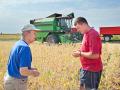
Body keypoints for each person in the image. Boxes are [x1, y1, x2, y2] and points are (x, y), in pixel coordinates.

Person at [4, 24, 40, 90]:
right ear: (27, 33)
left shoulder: (18, 44)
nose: (35, 36)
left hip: (10, 79)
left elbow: (16, 65)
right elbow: (23, 71)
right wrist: (34, 73)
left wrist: (31, 69)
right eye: (34, 33)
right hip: (17, 83)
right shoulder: (25, 48)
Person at [72, 17, 103, 90]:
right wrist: (79, 51)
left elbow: (95, 55)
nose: (78, 30)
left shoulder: (92, 34)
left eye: (78, 28)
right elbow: (86, 49)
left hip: (91, 70)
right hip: (87, 68)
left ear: (83, 24)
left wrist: (80, 53)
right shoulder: (86, 34)